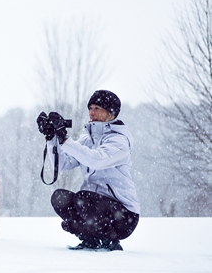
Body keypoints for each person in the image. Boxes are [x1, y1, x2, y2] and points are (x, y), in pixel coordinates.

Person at [37, 90, 140, 251]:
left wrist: (65, 139)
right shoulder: (87, 139)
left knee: (83, 197)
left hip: (124, 215)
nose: (91, 112)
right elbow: (63, 164)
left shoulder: (119, 140)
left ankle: (110, 241)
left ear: (111, 112)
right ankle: (89, 239)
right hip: (92, 207)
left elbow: (97, 160)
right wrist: (52, 139)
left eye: (97, 108)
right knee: (60, 197)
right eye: (90, 108)